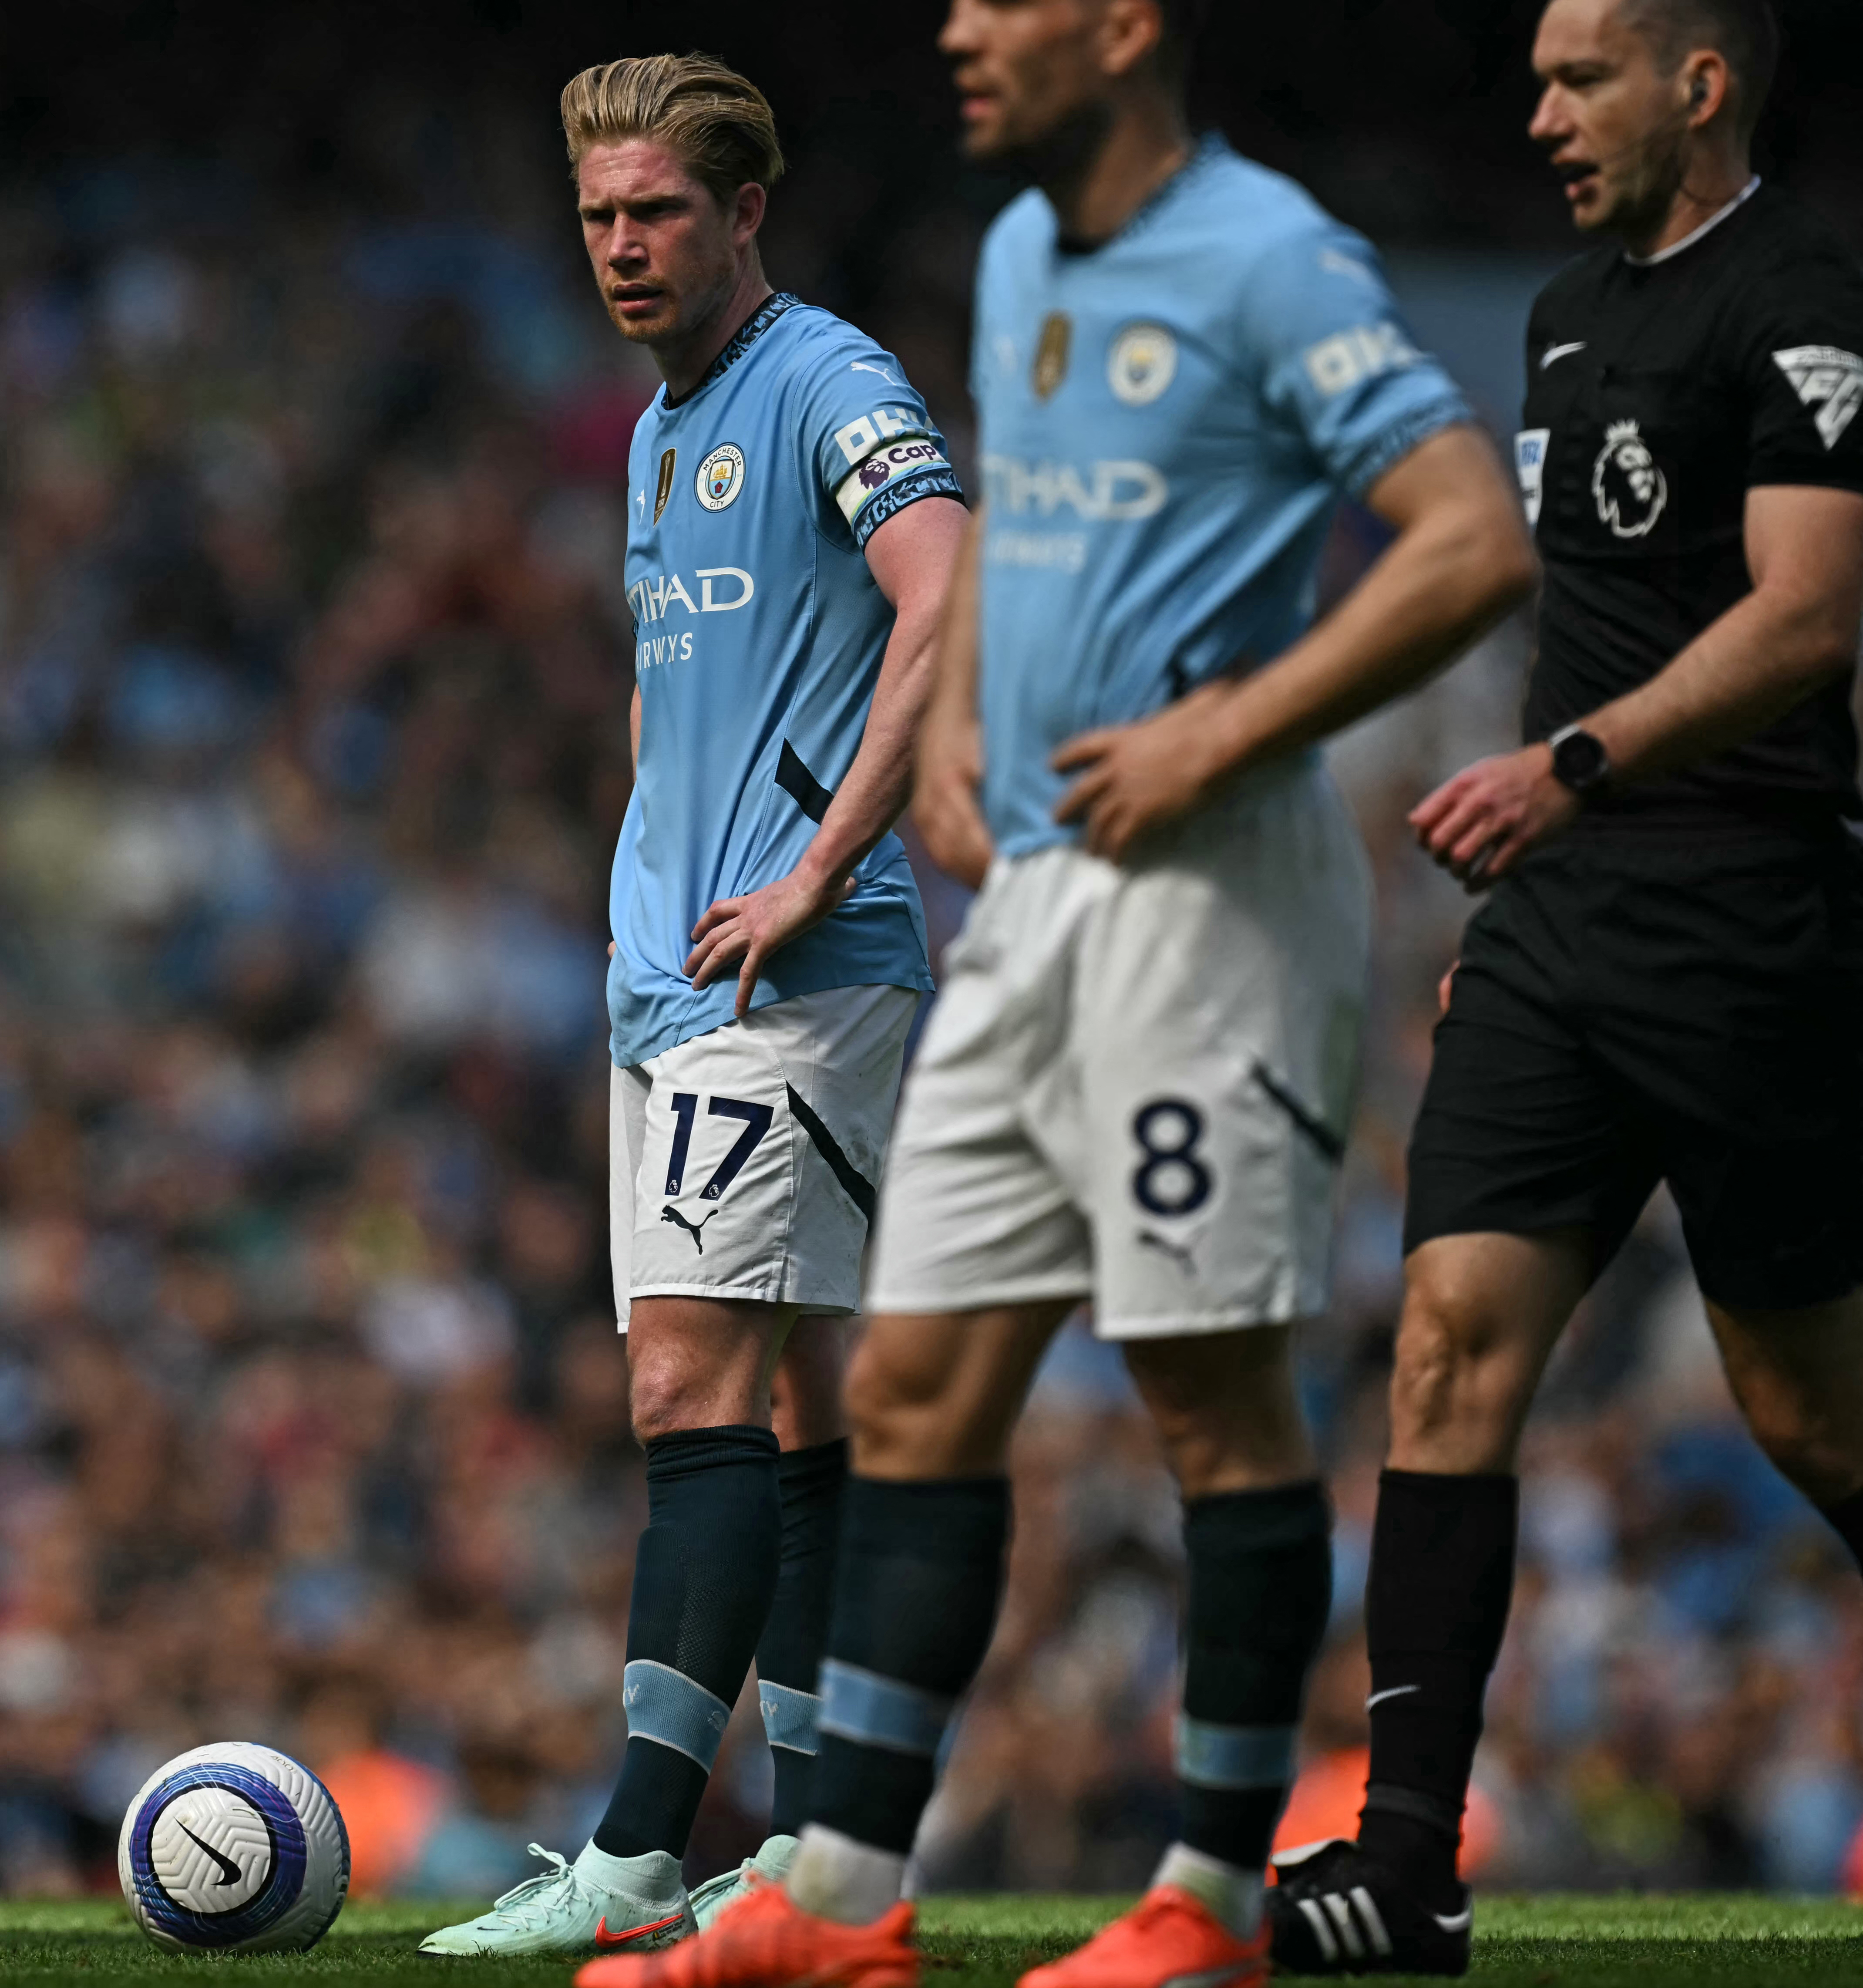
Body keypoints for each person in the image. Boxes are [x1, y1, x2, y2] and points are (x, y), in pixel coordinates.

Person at [577, 4, 1538, 1987]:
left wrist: (1230, 731)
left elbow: (1465, 541)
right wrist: (940, 754)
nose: (953, 28)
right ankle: (838, 1902)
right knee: (910, 1384)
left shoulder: (1263, 258)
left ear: (1117, 29)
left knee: (1199, 1380)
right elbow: (1000, 537)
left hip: (1208, 889)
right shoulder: (1021, 255)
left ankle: (1203, 1889)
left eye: (1000, 3)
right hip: (1027, 896)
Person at [1268, 1, 1863, 1972]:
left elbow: (1806, 611)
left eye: (1572, 77)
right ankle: (1407, 1853)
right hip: (1560, 931)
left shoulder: (1805, 287)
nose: (1532, 115)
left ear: (1695, 80)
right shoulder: (1552, 317)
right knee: (1442, 1344)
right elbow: (1585, 632)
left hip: (1753, 923)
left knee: (1808, 1412)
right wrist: (1509, 927)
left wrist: (1572, 770)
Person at [418, 52, 969, 1961]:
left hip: (793, 967)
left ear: (746, 214)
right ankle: (817, 1851)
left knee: (686, 1385)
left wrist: (815, 863)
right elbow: (684, 687)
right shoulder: (659, 428)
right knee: (795, 1398)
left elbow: (941, 582)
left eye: (656, 211)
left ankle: (642, 1842)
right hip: (665, 970)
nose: (621, 247)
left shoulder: (826, 377)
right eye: (596, 216)